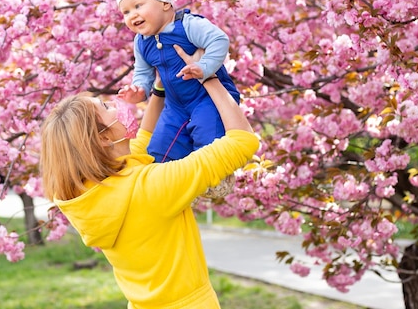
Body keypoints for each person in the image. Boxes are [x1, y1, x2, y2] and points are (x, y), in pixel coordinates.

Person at [40, 46, 259, 309]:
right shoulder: (151, 187)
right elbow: (243, 141)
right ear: (104, 137)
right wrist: (209, 77)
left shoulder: (88, 195)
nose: (118, 106)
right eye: (107, 107)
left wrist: (159, 87)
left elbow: (142, 143)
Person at [116, 0, 240, 164]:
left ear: (164, 2)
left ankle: (217, 177)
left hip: (207, 98)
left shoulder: (188, 25)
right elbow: (143, 74)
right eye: (126, 12)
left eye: (138, 5)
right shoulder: (141, 42)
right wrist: (139, 90)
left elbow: (219, 40)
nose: (132, 15)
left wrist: (204, 67)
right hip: (175, 106)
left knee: (208, 136)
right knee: (158, 151)